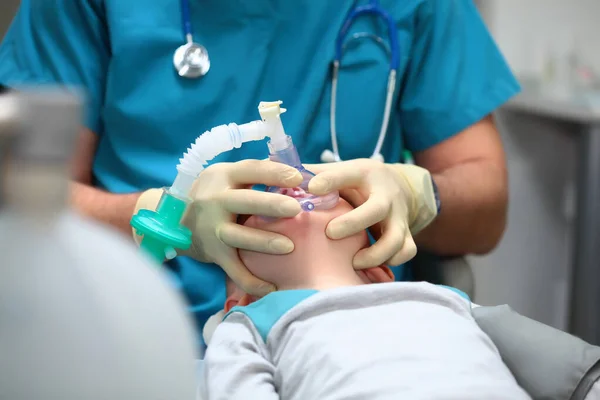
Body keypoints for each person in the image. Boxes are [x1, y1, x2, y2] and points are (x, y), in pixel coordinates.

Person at [0, 0, 520, 337]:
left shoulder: (430, 315)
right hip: (124, 327)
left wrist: (417, 194)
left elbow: (486, 203)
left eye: (330, 205)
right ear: (237, 297)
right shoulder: (235, 344)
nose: (300, 193)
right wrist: (157, 217)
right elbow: (19, 187)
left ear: (381, 270)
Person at [199, 198, 530, 399]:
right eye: (251, 213)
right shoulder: (252, 323)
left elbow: (558, 363)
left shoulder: (439, 297)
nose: (287, 190)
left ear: (379, 272)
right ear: (239, 301)